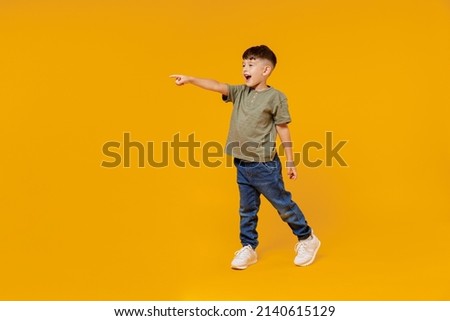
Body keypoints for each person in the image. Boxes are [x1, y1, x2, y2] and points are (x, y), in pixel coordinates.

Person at [170, 45, 320, 270]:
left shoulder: (275, 97)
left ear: (266, 70)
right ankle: (248, 247)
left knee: (283, 205)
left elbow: (283, 129)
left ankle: (307, 238)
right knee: (247, 209)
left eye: (251, 64)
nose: (245, 69)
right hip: (242, 163)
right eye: (243, 65)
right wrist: (191, 79)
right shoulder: (240, 92)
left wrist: (290, 161)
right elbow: (216, 85)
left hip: (264, 166)